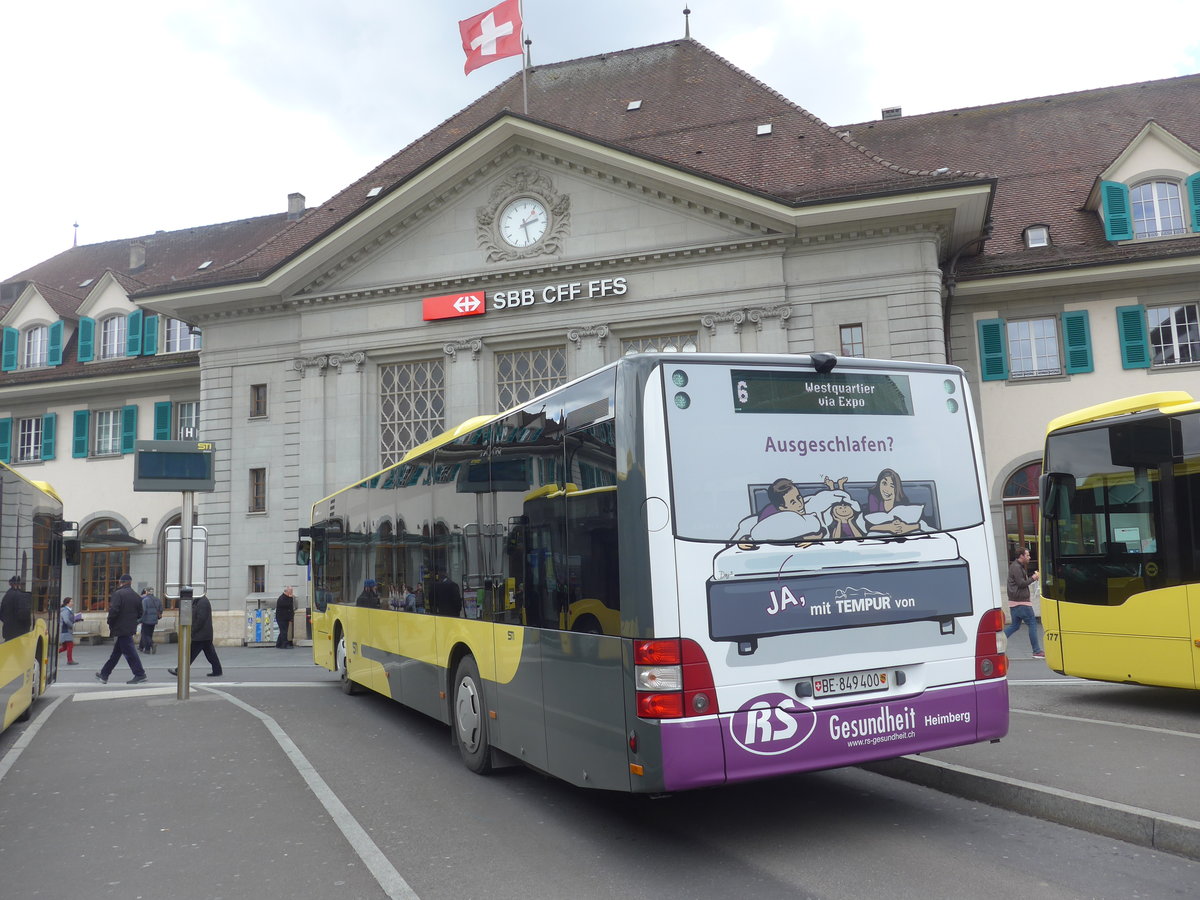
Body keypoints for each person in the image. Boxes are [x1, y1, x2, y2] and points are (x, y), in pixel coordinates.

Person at [95, 574, 148, 684]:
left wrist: (110, 622)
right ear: (130, 582)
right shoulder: (136, 596)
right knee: (116, 653)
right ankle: (104, 674)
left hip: (120, 627)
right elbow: (140, 613)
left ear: (120, 582)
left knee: (130, 652)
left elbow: (114, 610)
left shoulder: (118, 594)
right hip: (130, 627)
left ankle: (140, 674)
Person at [168, 594, 222, 678]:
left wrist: (192, 630)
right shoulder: (199, 600)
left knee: (190, 654)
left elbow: (201, 619)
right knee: (210, 654)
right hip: (204, 634)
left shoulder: (202, 602)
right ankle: (217, 670)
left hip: (201, 635)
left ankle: (180, 670)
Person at [1005, 547, 1043, 659]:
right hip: (1022, 602)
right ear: (1021, 556)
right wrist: (1033, 578)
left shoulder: (1015, 566)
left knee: (1015, 626)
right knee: (1032, 624)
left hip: (1014, 602)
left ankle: (995, 644)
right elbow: (1021, 583)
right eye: (1027, 555)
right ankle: (1036, 651)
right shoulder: (1017, 567)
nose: (1029, 557)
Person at [0, 575, 32, 641]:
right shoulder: (23, 596)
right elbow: (26, 616)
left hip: (8, 631)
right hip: (20, 633)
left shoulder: (6, 596)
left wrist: (8, 622)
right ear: (19, 584)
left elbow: (1, 614)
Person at [138, 587, 164, 654]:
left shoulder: (145, 600)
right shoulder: (158, 600)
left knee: (145, 634)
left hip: (146, 620)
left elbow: (144, 611)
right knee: (150, 634)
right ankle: (147, 649)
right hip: (154, 620)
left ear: (147, 592)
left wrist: (139, 620)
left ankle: (152, 644)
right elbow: (161, 609)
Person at [59, 596, 83, 664]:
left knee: (64, 647)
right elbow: (66, 620)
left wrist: (76, 620)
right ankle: (70, 660)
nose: (73, 603)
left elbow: (69, 619)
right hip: (66, 630)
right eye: (71, 601)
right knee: (70, 645)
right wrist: (71, 625)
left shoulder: (68, 610)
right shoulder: (65, 610)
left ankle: (54, 654)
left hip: (66, 630)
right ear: (67, 603)